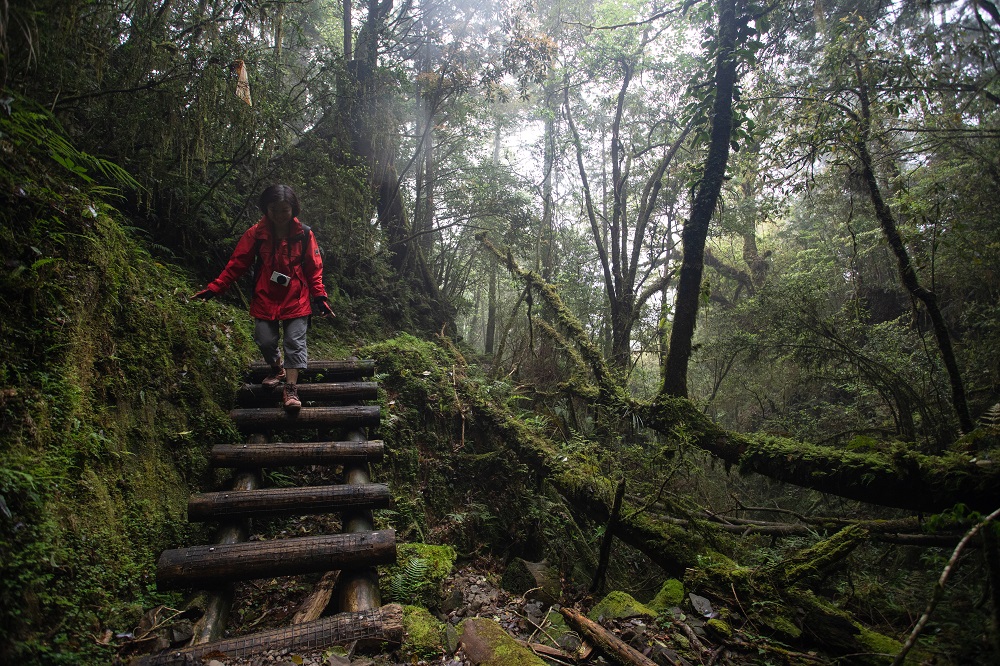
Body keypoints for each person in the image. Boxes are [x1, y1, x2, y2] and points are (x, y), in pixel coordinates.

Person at [193, 184, 334, 410]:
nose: (279, 215)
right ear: (266, 209)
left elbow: (314, 269)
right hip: (265, 296)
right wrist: (215, 288)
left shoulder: (304, 235)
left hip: (296, 296)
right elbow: (237, 264)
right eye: (274, 209)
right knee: (265, 340)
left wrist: (320, 298)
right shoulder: (256, 234)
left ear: (293, 209)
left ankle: (291, 390)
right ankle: (277, 369)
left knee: (294, 342)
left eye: (284, 210)